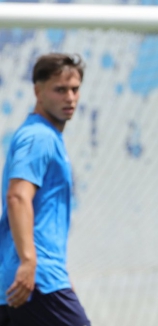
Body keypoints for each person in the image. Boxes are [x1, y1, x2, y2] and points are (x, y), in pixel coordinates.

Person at [0, 54, 91, 325]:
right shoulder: (38, 137)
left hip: (33, 280)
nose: (70, 97)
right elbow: (17, 197)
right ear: (38, 91)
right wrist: (29, 262)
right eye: (60, 90)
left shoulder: (47, 136)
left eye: (75, 89)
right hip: (37, 282)